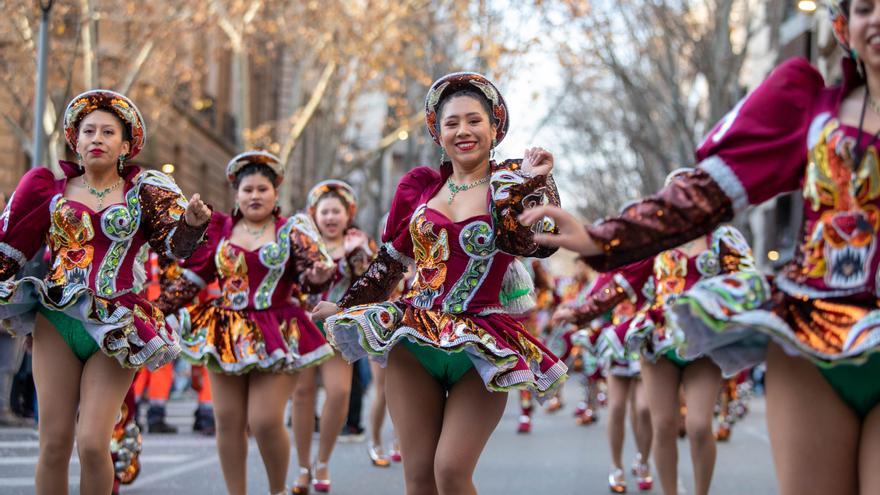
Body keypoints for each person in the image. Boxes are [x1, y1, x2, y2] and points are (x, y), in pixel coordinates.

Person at [521, 2, 880, 493]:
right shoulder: (811, 111)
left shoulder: (728, 245)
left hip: (738, 334)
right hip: (810, 341)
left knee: (699, 425)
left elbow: (740, 268)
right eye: (865, 7)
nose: (877, 18)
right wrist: (598, 237)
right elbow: (698, 197)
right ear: (843, 25)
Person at [313, 72, 568, 495]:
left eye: (474, 121)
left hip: (482, 345)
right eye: (451, 123)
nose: (463, 131)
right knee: (418, 477)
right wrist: (343, 309)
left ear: (494, 127)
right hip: (414, 337)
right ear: (437, 130)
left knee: (450, 471)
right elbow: (389, 264)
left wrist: (535, 182)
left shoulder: (511, 184)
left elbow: (540, 245)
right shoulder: (419, 187)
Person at [0, 89, 211, 494]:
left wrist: (190, 223)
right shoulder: (47, 189)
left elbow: (176, 248)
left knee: (94, 444)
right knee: (54, 444)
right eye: (88, 130)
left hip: (118, 325)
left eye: (108, 132)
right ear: (74, 141)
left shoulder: (144, 192)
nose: (97, 137)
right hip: (56, 319)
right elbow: (9, 249)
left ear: (125, 145)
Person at [156, 150, 335, 495]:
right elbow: (190, 278)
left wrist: (318, 275)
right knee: (228, 421)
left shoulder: (291, 230)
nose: (255, 196)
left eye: (262, 190)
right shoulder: (221, 229)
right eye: (248, 189)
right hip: (226, 332)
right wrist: (154, 310)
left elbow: (312, 278)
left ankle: (276, 490)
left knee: (265, 420)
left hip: (278, 331)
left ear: (275, 194)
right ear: (236, 194)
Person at [290, 179, 376, 492]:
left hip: (340, 327)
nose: (330, 217)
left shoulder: (358, 244)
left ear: (347, 214)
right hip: (302, 327)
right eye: (324, 211)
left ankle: (323, 460)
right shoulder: (302, 242)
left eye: (336, 211)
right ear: (314, 214)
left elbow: (371, 286)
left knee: (339, 392)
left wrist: (342, 307)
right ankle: (302, 467)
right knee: (301, 395)